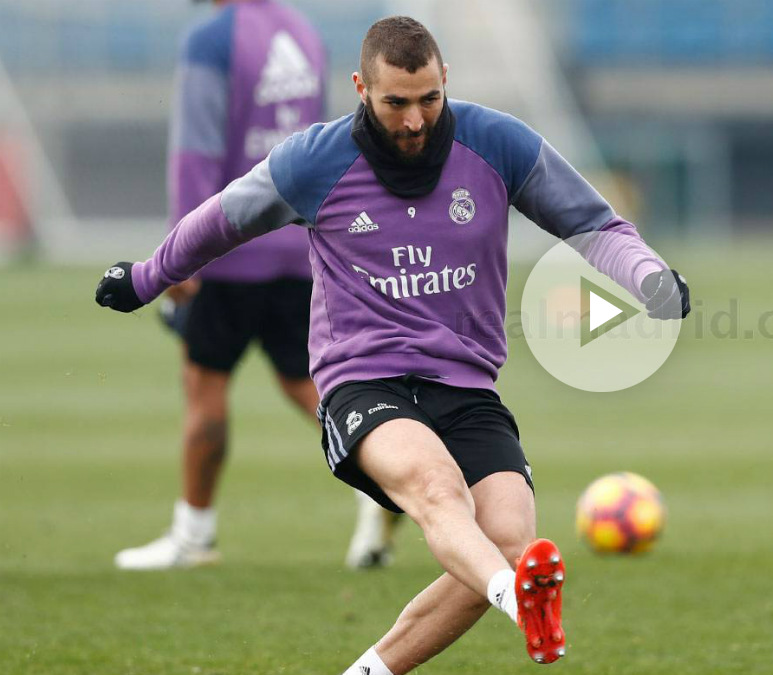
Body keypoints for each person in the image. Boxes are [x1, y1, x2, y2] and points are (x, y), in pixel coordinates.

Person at [96, 16, 690, 671]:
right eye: (396, 103)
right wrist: (146, 278)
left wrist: (649, 278)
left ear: (446, 83)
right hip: (362, 383)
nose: (414, 121)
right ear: (360, 88)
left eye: (429, 99)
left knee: (511, 541)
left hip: (465, 386)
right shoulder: (315, 160)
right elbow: (220, 221)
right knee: (440, 492)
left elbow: (593, 223)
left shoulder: (497, 143)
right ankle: (522, 604)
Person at [113, 0, 400, 572]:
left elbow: (196, 150)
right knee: (305, 380)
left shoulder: (211, 38)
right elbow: (315, 146)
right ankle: (395, 469)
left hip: (227, 245)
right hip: (295, 237)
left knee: (205, 382)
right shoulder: (303, 30)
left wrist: (181, 255)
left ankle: (193, 535)